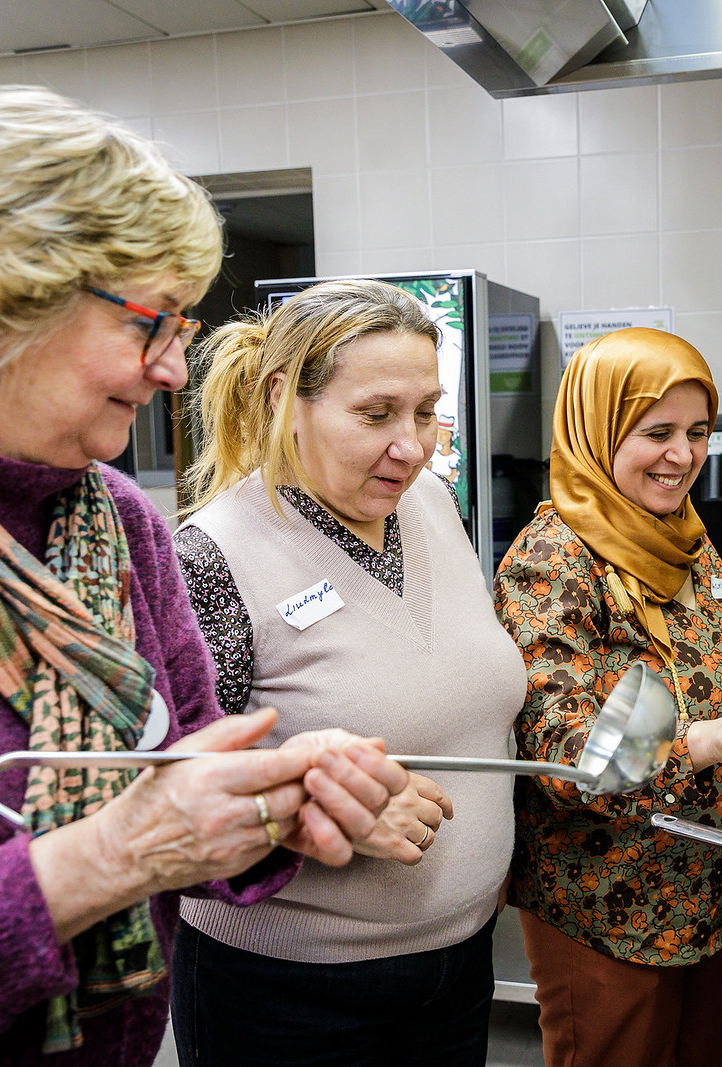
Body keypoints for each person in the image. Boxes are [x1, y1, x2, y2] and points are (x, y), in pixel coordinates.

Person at [0, 86, 407, 1067]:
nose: (175, 369)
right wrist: (114, 856)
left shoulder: (116, 526)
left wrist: (270, 800)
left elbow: (174, 771)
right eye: (153, 322)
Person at [168, 278, 528, 1067]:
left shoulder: (431, 503)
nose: (414, 444)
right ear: (281, 398)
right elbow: (166, 799)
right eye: (376, 414)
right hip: (287, 993)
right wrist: (319, 808)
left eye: (428, 410)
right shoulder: (212, 556)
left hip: (460, 966)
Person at [494, 327, 722, 1067]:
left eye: (698, 432)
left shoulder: (683, 538)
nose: (683, 455)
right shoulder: (554, 559)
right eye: (657, 432)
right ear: (598, 426)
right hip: (610, 907)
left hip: (703, 888)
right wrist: (705, 741)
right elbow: (566, 756)